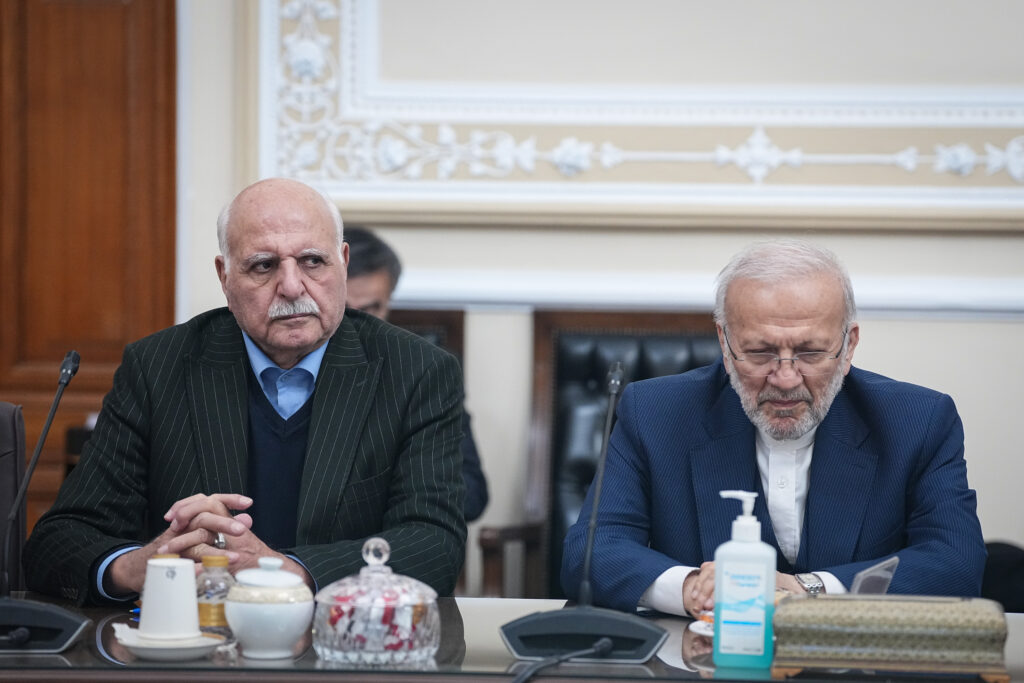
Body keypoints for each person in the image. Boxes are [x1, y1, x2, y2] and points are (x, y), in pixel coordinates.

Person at [24, 178, 466, 605]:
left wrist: (284, 571)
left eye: (313, 261)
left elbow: (433, 545)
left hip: (343, 640)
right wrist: (141, 565)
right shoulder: (158, 368)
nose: (291, 287)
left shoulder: (417, 372)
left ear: (343, 263)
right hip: (197, 637)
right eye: (263, 266)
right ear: (225, 276)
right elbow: (59, 541)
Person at [561, 239, 986, 617]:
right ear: (725, 342)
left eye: (810, 352)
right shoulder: (655, 413)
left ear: (849, 345)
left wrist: (806, 591)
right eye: (760, 353)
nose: (785, 378)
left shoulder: (918, 421)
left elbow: (956, 563)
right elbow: (591, 551)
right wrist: (695, 589)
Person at [344, 227, 489, 522]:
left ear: (389, 301)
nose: (357, 322)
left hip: (399, 541)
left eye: (371, 309)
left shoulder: (426, 372)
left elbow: (472, 494)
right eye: (344, 309)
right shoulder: (288, 365)